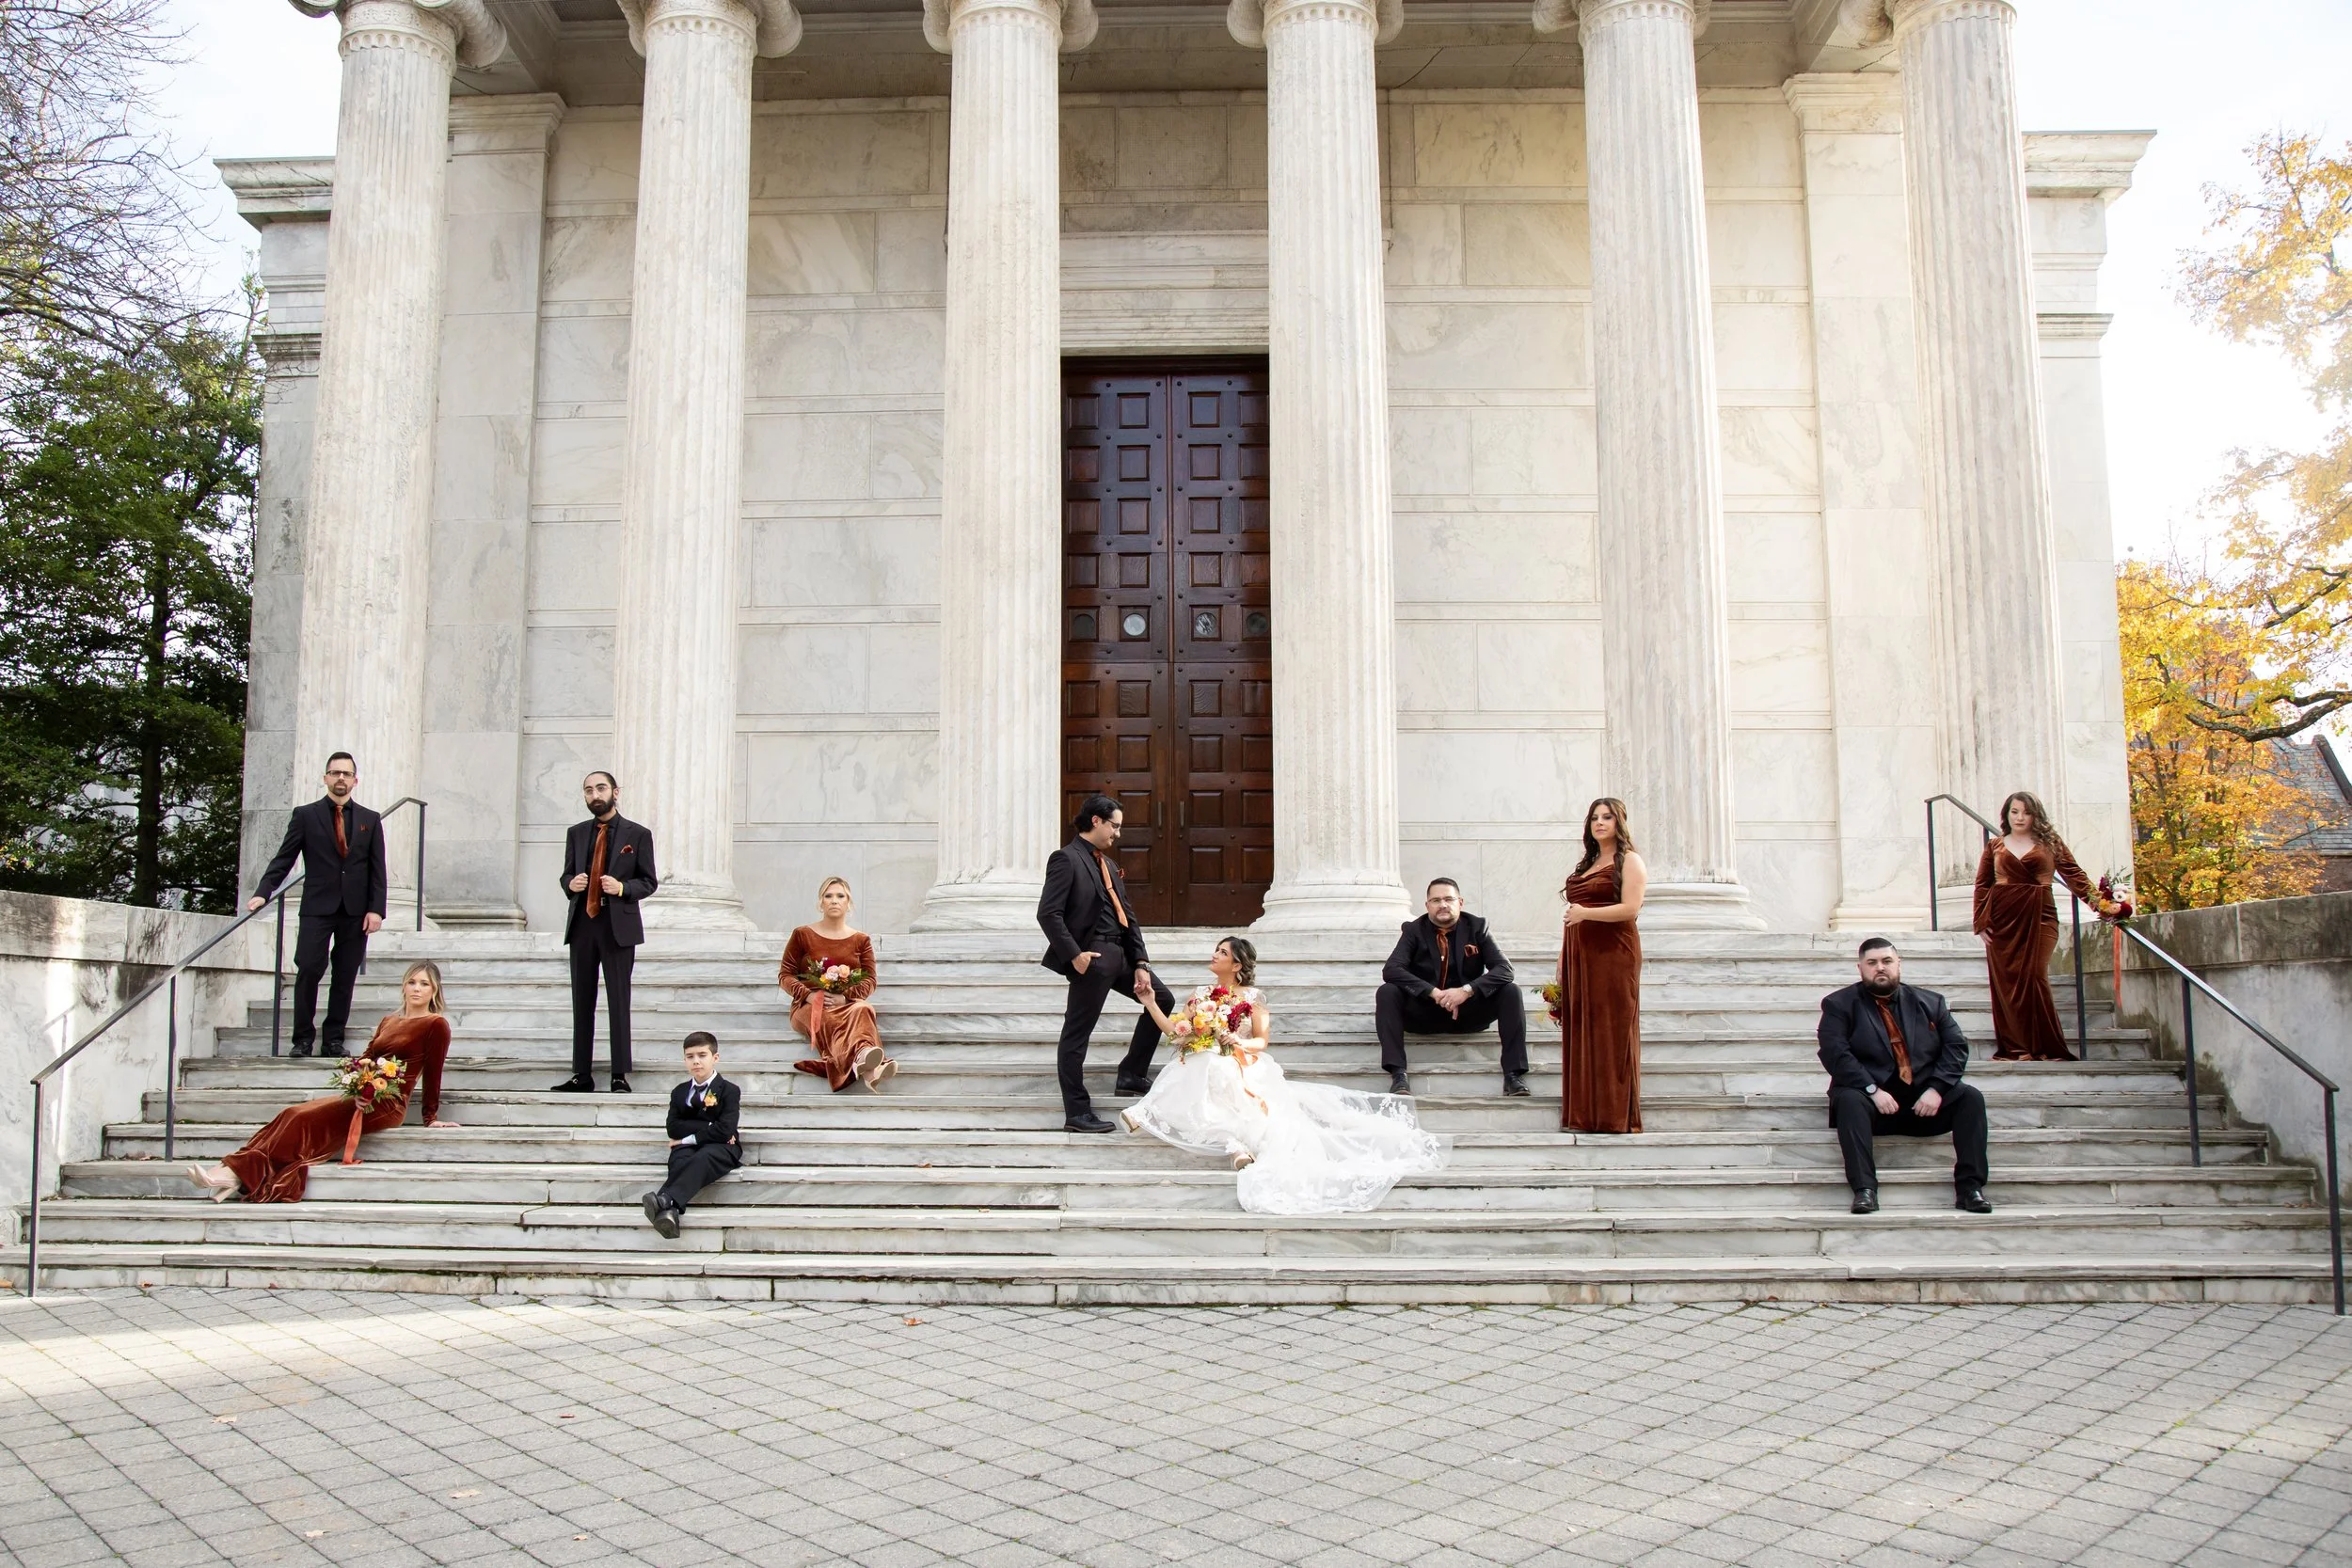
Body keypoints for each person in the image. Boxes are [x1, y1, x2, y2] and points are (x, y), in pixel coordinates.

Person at [1124, 937, 1448, 1213]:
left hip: (1244, 1061)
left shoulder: (1253, 998)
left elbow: (1261, 1042)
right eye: (1216, 951)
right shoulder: (1200, 994)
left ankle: (1163, 1116)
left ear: (1237, 965)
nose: (1214, 955)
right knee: (1195, 1059)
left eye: (1222, 953)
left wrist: (1237, 1040)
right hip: (1207, 1057)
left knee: (1212, 1064)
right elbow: (1177, 1032)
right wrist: (1151, 1003)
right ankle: (1225, 1140)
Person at [185, 960, 457, 1202]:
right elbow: (366, 1057)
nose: (417, 988)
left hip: (389, 1103)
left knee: (300, 1120)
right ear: (403, 986)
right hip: (363, 1093)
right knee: (290, 1113)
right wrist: (359, 1075)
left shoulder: (435, 1025)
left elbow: (434, 1073)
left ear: (434, 991)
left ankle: (234, 1175)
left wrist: (430, 1117)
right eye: (412, 982)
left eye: (424, 984)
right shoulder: (389, 1021)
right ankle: (228, 1170)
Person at [1818, 937, 1991, 1214]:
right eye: (1872, 963)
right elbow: (1834, 1053)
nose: (1880, 968)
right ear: (1860, 968)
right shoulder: (1839, 1004)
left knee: (1970, 1098)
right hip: (1872, 1105)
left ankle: (1970, 1189)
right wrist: (1872, 1090)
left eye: (1887, 961)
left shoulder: (1931, 1002)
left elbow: (1956, 1047)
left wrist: (1937, 1089)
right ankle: (1864, 1190)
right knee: (1849, 1099)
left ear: (1899, 964)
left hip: (1922, 1105)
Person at [1037, 793, 1174, 1133]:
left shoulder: (1109, 864)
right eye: (1114, 826)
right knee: (1077, 1034)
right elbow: (1048, 913)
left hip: (1123, 956)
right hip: (1093, 957)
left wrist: (1140, 961)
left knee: (1164, 999)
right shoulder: (1065, 859)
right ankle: (1077, 1112)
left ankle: (1131, 1073)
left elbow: (1128, 915)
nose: (1117, 834)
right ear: (1095, 820)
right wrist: (1075, 955)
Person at [246, 751, 389, 1058]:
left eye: (346, 774)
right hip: (317, 907)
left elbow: (378, 869)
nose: (341, 778)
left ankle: (333, 1040)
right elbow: (284, 858)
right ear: (325, 778)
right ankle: (302, 1039)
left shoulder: (370, 820)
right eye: (335, 773)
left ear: (355, 780)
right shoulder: (305, 815)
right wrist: (264, 891)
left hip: (355, 912)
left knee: (345, 975)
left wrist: (376, 909)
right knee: (309, 969)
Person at [1974, 789, 2119, 1062]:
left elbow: (2075, 876)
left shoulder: (2050, 843)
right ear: (2006, 814)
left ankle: (2047, 1046)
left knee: (2035, 975)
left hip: (2041, 915)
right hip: (2002, 920)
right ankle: (2018, 1048)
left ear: (2035, 815)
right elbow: (1982, 885)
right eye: (2014, 811)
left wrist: (2105, 906)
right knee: (2006, 984)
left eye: (2026, 812)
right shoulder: (1995, 846)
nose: (2020, 817)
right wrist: (1981, 922)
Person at [1375, 879, 1529, 1097]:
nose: (1443, 905)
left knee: (1511, 991)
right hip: (1424, 1013)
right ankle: (1398, 1074)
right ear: (1427, 905)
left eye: (1448, 899)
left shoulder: (1477, 927)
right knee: (1387, 991)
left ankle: (1513, 1075)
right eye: (1436, 900)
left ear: (1460, 902)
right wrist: (1433, 992)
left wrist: (1466, 990)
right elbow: (1391, 970)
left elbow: (1505, 969)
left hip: (1468, 1014)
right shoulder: (1414, 930)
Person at [553, 770, 658, 1093]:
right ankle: (581, 1075)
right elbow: (566, 875)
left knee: (618, 999)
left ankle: (618, 1074)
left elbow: (649, 882)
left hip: (618, 927)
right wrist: (570, 884)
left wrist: (623, 887)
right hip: (583, 923)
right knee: (581, 999)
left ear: (615, 792)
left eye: (600, 788)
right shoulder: (576, 832)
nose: (594, 795)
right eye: (588, 790)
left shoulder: (637, 834)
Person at [1559, 797, 1645, 1133]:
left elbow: (1630, 909)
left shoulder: (1631, 861)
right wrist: (1562, 961)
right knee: (1584, 1031)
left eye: (1607, 817)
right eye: (1594, 817)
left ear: (1619, 822)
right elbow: (1572, 917)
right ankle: (1584, 1114)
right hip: (1580, 954)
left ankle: (1613, 1117)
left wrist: (1586, 914)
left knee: (1612, 1031)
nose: (1599, 823)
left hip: (1614, 954)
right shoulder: (1588, 863)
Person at [778, 877, 895, 1091]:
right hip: (809, 1006)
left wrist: (846, 997)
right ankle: (868, 1063)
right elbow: (785, 975)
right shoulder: (802, 934)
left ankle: (865, 1062)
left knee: (864, 1007)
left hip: (846, 1003)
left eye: (840, 896)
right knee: (833, 1014)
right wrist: (808, 995)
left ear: (848, 903)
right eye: (828, 896)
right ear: (820, 902)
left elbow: (870, 979)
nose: (834, 901)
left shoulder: (861, 940)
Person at [643, 1031, 739, 1238]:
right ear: (685, 1059)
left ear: (715, 1058)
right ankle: (670, 1212)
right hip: (688, 1144)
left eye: (702, 1055)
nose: (696, 1061)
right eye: (690, 1056)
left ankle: (664, 1199)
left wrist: (690, 1133)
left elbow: (725, 1129)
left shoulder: (729, 1090)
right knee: (680, 1158)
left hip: (723, 1147)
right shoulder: (679, 1091)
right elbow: (673, 1128)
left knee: (702, 1157)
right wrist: (710, 1124)